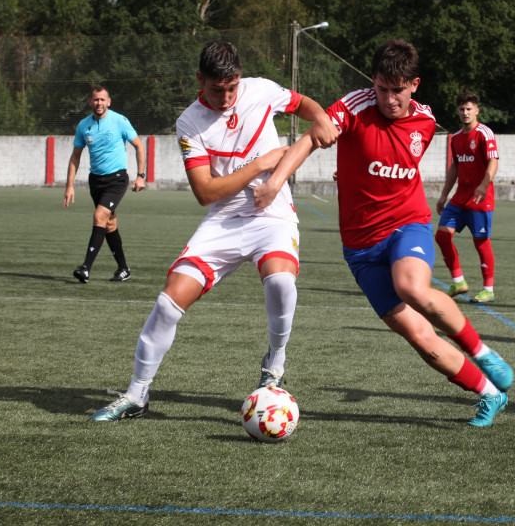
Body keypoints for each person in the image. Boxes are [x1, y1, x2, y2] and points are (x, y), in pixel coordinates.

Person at [255, 39, 514, 427]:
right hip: (359, 247)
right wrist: (276, 182)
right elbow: (310, 138)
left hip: (405, 224)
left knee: (411, 286)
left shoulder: (426, 121)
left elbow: (396, 159)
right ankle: (489, 394)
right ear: (372, 82)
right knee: (418, 337)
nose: (389, 99)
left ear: (414, 85)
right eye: (381, 88)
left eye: (397, 90)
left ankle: (481, 351)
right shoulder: (353, 107)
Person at [89, 42, 338, 421]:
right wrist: (260, 165)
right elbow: (206, 192)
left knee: (281, 283)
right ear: (199, 80)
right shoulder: (189, 122)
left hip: (272, 214)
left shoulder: (260, 89)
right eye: (217, 89)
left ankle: (274, 362)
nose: (226, 97)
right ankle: (137, 394)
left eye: (232, 88)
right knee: (168, 301)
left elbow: (303, 103)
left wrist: (319, 115)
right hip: (224, 219)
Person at [63, 86, 146, 283]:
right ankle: (124, 269)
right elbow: (75, 156)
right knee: (109, 224)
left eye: (102, 99)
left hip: (116, 180)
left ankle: (85, 268)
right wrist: (69, 185)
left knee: (99, 216)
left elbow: (139, 146)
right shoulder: (84, 125)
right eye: (95, 99)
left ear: (109, 101)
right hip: (96, 181)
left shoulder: (119, 121)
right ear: (90, 102)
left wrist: (141, 175)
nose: (99, 103)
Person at [434, 92, 499, 303]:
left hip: (480, 199)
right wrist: (444, 195)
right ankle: (458, 281)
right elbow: (455, 166)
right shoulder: (457, 137)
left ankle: (488, 289)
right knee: (442, 236)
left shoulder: (484, 133)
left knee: (480, 242)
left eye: (469, 109)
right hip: (459, 199)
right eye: (462, 109)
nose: (465, 113)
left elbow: (493, 162)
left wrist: (483, 185)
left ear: (477, 110)